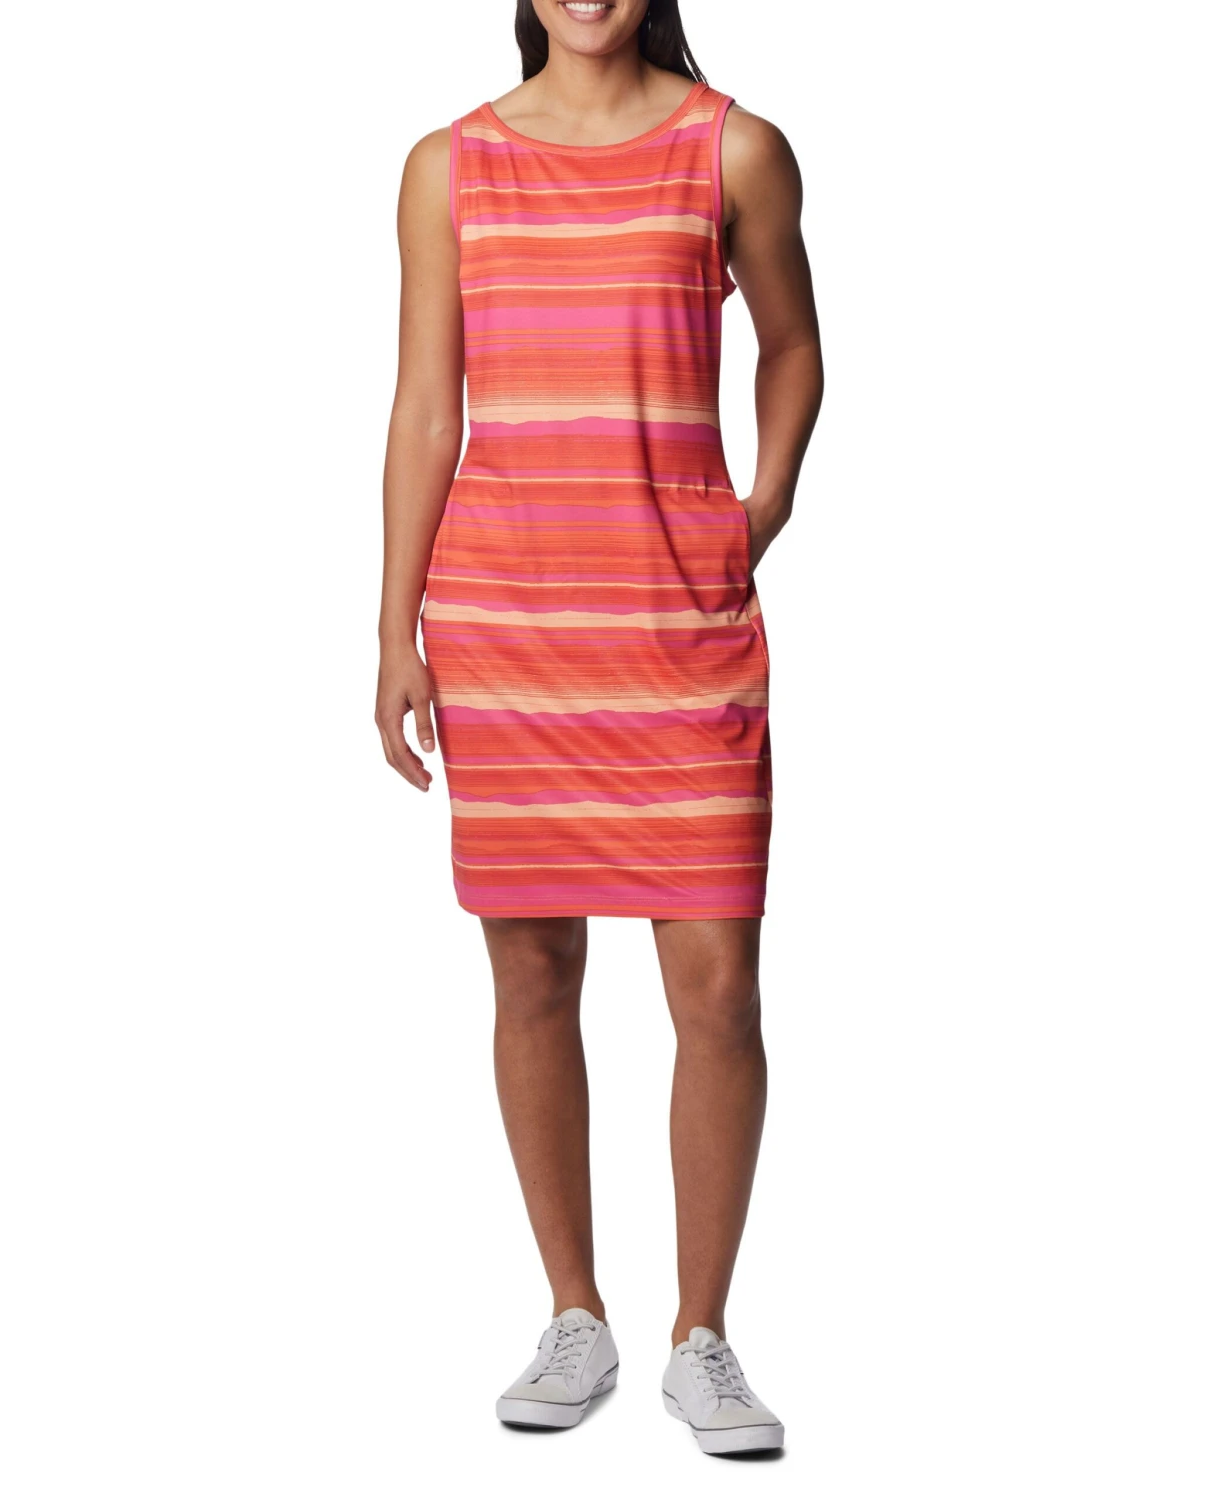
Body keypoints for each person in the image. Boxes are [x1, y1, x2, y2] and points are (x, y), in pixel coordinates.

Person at [376, 0, 822, 1456]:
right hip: (506, 626)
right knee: (531, 973)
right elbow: (426, 407)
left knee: (719, 985)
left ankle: (704, 1336)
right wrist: (394, 630)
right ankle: (576, 1313)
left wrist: (757, 510)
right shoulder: (449, 167)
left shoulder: (733, 150)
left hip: (678, 627)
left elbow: (794, 348)